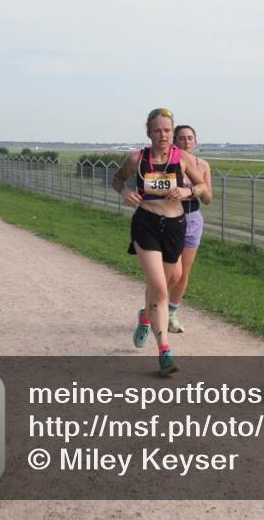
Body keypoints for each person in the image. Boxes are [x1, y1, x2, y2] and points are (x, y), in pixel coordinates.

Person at [111, 108, 206, 376]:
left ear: (171, 131)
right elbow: (117, 179)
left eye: (167, 130)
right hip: (147, 224)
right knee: (161, 290)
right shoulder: (137, 159)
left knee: (172, 278)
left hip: (175, 227)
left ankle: (145, 316)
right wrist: (126, 191)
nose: (162, 135)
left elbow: (203, 189)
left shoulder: (183, 159)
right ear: (148, 132)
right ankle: (165, 352)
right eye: (157, 130)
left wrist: (187, 190)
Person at [167, 125, 213, 333]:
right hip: (170, 217)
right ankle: (152, 307)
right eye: (182, 138)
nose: (186, 142)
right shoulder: (167, 162)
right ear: (174, 141)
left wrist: (193, 191)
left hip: (193, 218)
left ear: (196, 141)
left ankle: (171, 314)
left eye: (190, 138)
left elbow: (208, 198)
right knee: (172, 272)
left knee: (184, 272)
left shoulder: (203, 165)